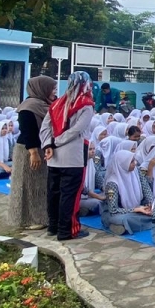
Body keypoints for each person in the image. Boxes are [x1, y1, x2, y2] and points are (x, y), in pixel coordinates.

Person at [41, 71, 96, 241]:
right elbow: (78, 129)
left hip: (54, 157)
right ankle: (67, 230)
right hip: (73, 157)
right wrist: (57, 142)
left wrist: (48, 145)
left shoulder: (57, 103)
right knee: (70, 195)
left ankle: (53, 226)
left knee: (54, 192)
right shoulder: (86, 104)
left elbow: (45, 128)